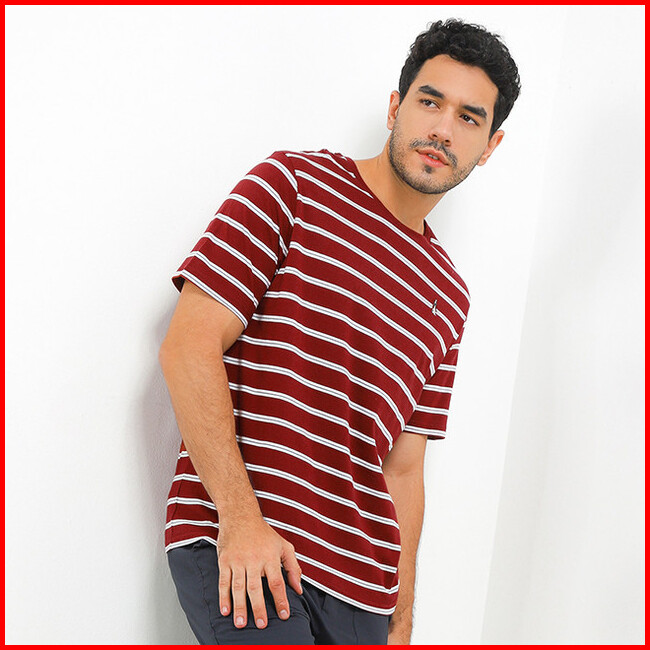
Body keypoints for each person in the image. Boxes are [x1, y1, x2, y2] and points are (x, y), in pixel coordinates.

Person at [159, 17, 521, 645]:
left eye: (469, 118)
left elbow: (404, 468)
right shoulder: (292, 186)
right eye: (430, 101)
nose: (442, 129)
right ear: (395, 107)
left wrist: (401, 621)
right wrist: (239, 519)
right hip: (250, 547)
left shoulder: (448, 294)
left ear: (489, 146)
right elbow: (188, 346)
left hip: (364, 593)